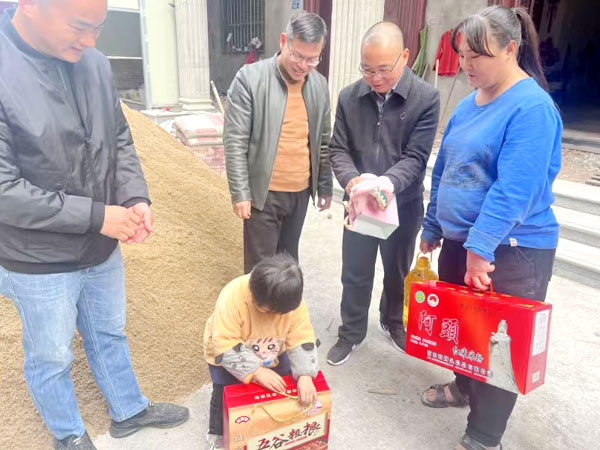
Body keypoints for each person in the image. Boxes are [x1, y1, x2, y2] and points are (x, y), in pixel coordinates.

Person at [0, 1, 188, 449]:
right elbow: (3, 189)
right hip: (38, 257)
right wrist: (99, 216)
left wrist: (135, 196)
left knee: (108, 331)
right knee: (51, 354)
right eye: (80, 27)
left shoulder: (95, 64)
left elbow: (119, 138)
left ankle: (128, 409)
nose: (90, 42)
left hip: (100, 245)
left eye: (98, 29)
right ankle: (68, 434)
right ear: (31, 6)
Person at [419, 6, 561, 450]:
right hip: (462, 244)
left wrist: (480, 248)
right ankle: (464, 388)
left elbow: (515, 189)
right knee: (463, 331)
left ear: (511, 49)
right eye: (462, 55)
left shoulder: (531, 108)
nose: (466, 65)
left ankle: (484, 436)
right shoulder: (466, 105)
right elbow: (445, 168)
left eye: (477, 56)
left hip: (509, 250)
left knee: (499, 345)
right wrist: (432, 224)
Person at [326, 22, 440, 365]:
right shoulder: (349, 97)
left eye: (383, 69)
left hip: (402, 203)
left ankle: (393, 322)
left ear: (404, 57)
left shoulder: (426, 98)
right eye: (366, 69)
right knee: (355, 271)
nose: (374, 78)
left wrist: (387, 183)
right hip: (360, 203)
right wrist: (352, 181)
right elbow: (338, 149)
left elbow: (416, 157)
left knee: (397, 270)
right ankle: (351, 332)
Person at [224, 11, 333, 274]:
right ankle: (257, 303)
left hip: (300, 193)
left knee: (288, 265)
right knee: (261, 270)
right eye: (297, 55)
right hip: (263, 194)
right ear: (283, 41)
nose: (303, 66)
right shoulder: (250, 78)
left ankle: (285, 304)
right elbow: (235, 140)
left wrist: (324, 185)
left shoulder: (319, 85)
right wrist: (240, 193)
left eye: (312, 59)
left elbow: (323, 140)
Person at [203, 253, 319, 450]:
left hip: (274, 348)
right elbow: (224, 342)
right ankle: (217, 431)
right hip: (230, 354)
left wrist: (306, 375)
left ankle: (270, 423)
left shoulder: (293, 303)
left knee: (283, 384)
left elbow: (301, 336)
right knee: (224, 392)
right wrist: (255, 370)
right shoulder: (232, 295)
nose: (266, 316)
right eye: (263, 310)